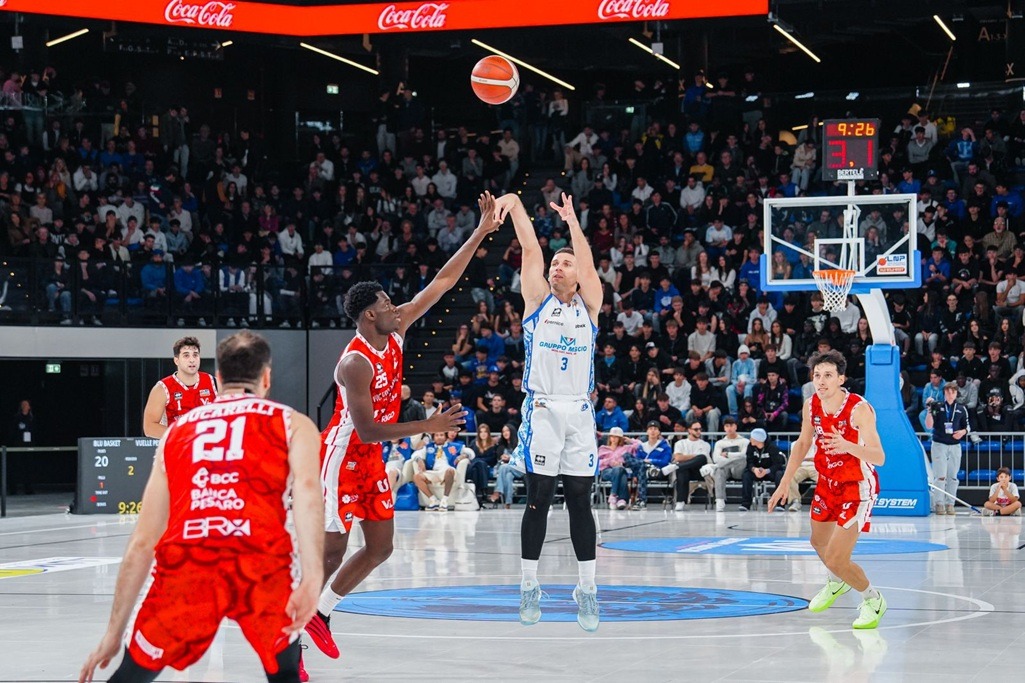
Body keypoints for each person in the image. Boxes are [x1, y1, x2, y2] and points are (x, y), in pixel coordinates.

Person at [306, 193, 498, 662]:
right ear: (369, 315)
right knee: (331, 554)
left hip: (370, 458)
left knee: (381, 547)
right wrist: (427, 424)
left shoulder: (396, 328)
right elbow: (368, 430)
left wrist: (480, 232)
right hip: (341, 457)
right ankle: (287, 640)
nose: (396, 306)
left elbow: (442, 282)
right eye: (387, 303)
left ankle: (321, 614)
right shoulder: (355, 363)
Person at [78, 331, 324, 683]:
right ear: (267, 377)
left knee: (133, 673)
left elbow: (143, 542)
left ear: (218, 378)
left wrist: (113, 634)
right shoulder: (294, 423)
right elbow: (309, 495)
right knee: (284, 671)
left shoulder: (176, 433)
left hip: (190, 562)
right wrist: (313, 577)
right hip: (260, 561)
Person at [492, 190, 602, 631]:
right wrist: (516, 205)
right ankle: (528, 584)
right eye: (555, 262)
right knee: (538, 498)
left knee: (579, 500)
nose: (558, 266)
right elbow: (530, 249)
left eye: (566, 263)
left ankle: (587, 589)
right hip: (542, 409)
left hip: (579, 411)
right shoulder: (538, 302)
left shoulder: (590, 305)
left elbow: (588, 266)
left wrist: (573, 222)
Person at [768, 350, 888, 629]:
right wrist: (784, 482)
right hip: (827, 482)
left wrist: (847, 446)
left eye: (828, 375)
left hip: (856, 485)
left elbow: (879, 456)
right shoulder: (811, 405)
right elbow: (802, 443)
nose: (821, 381)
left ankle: (873, 600)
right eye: (817, 375)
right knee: (818, 542)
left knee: (836, 558)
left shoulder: (859, 409)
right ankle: (837, 581)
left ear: (841, 379)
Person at [142, 336, 217, 438]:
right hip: (178, 445)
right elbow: (149, 428)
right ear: (176, 360)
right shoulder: (162, 388)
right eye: (186, 356)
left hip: (208, 445)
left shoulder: (214, 383)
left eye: (195, 355)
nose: (192, 360)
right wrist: (185, 434)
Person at [924, 381, 971, 515]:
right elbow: (929, 425)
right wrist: (929, 410)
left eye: (953, 392)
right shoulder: (937, 406)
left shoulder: (961, 408)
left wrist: (963, 432)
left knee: (953, 476)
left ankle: (950, 503)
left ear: (956, 394)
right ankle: (939, 503)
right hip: (939, 444)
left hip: (955, 445)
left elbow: (968, 426)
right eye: (948, 392)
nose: (950, 394)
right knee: (940, 476)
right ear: (944, 393)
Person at [739, 428, 785, 511]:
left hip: (770, 472)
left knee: (779, 474)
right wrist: (754, 469)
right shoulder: (750, 447)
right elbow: (749, 462)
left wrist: (766, 471)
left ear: (759, 439)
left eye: (752, 438)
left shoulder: (772, 447)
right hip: (757, 471)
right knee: (746, 474)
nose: (750, 439)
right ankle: (745, 504)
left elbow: (778, 464)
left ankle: (780, 504)